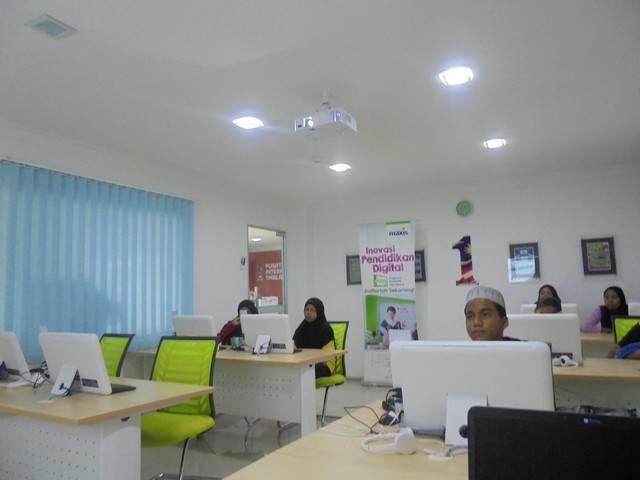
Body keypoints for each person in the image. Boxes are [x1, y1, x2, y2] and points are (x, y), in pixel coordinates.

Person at [293, 297, 335, 378]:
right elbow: (294, 348)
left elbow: (327, 356)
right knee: (294, 369)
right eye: (306, 309)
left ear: (319, 312)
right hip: (305, 362)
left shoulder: (326, 330)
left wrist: (310, 361)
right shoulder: (301, 328)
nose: (308, 312)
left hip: (325, 365)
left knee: (306, 371)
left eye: (312, 310)